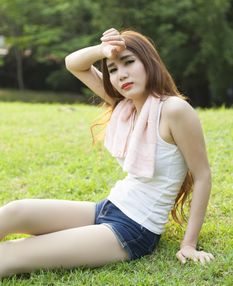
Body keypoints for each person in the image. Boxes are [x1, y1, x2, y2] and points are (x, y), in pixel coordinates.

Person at [0, 28, 214, 278]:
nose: (121, 74)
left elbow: (203, 176)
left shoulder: (174, 110)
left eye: (129, 62)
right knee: (16, 211)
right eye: (112, 69)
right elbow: (74, 64)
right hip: (107, 208)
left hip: (133, 229)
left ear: (149, 62)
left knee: (10, 254)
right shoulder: (126, 105)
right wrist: (103, 50)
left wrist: (188, 245)